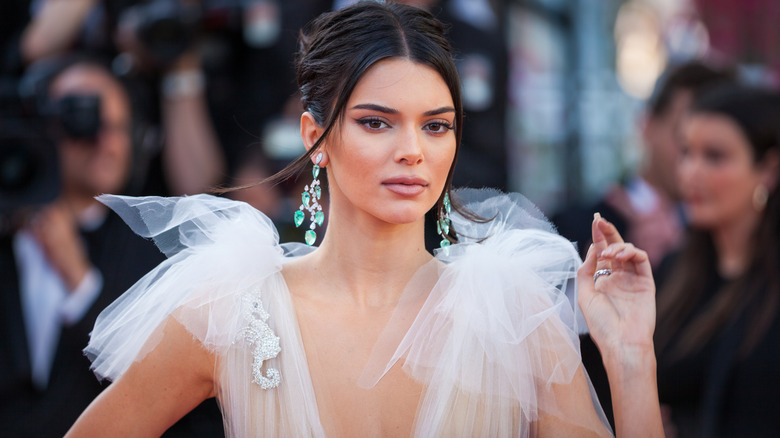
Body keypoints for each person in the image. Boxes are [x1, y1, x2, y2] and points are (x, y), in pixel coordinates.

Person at [66, 2, 663, 436]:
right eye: (377, 122)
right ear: (314, 136)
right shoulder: (230, 309)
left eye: (436, 125)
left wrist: (631, 360)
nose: (412, 150)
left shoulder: (512, 316)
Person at [0, 58, 223, 437]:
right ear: (44, 126)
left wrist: (80, 282)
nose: (107, 142)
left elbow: (168, 389)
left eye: (120, 127)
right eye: (84, 120)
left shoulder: (157, 254)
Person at [551, 60, 734, 427]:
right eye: (684, 142)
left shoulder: (734, 248)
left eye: (715, 150)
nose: (692, 166)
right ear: (646, 126)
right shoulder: (577, 225)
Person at [654, 84, 780, 437]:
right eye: (686, 153)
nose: (690, 173)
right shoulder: (670, 274)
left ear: (768, 170)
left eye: (714, 156)